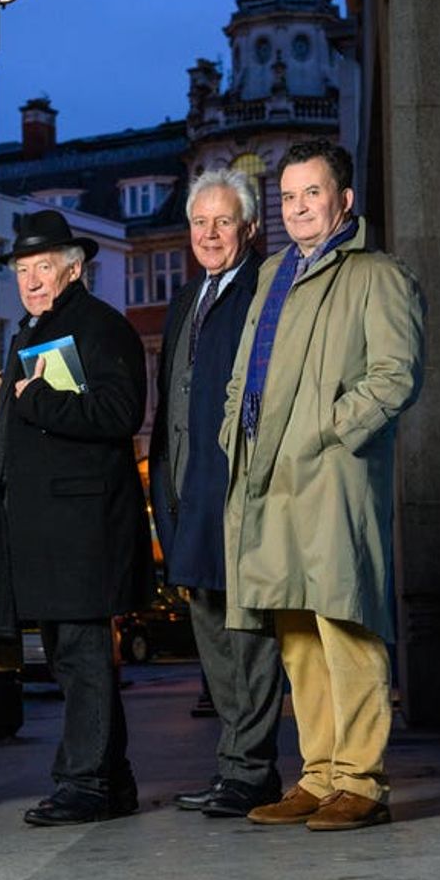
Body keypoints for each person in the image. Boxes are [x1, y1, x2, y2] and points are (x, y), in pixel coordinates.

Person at [222, 140, 426, 831]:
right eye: (287, 197)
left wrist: (329, 430)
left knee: (345, 619)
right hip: (266, 470)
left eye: (312, 193)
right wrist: (233, 433)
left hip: (331, 471)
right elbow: (245, 372)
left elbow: (396, 375)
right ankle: (318, 775)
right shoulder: (274, 272)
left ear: (344, 200)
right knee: (295, 628)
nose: (298, 207)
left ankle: (361, 782)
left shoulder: (377, 274)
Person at [0, 209, 151, 827]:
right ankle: (114, 781)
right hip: (55, 532)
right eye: (23, 270)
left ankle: (85, 785)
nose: (30, 280)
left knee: (80, 660)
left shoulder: (101, 326)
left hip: (85, 530)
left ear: (74, 269)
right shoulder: (32, 330)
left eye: (42, 267)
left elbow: (121, 411)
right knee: (74, 658)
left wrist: (39, 400)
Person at [150, 169, 283, 818]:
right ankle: (235, 767)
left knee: (249, 636)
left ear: (250, 228)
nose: (208, 234)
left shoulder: (266, 292)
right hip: (187, 491)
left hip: (238, 492)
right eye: (199, 222)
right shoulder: (185, 299)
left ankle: (252, 771)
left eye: (222, 222)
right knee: (211, 632)